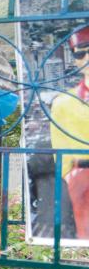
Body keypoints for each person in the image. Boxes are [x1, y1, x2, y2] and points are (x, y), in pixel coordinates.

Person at [50, 24, 89, 238]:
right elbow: (59, 146)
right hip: (82, 173)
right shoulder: (64, 103)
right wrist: (70, 175)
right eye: (81, 52)